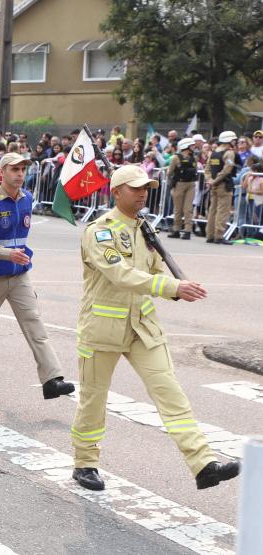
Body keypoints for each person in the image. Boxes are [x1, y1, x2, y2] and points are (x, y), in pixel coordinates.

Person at [70, 165, 240, 492]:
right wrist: (170, 287)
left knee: (171, 394)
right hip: (103, 328)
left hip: (143, 328)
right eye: (135, 188)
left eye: (146, 187)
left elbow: (154, 271)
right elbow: (121, 275)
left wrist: (177, 286)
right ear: (115, 192)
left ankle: (203, 463)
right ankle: (85, 462)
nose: (142, 193)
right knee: (93, 399)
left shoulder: (144, 229)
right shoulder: (99, 231)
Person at [0, 152, 75, 403]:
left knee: (34, 324)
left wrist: (15, 258)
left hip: (19, 275)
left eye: (23, 169)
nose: (20, 174)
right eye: (14, 169)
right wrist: (6, 254)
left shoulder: (27, 200)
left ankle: (52, 379)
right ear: (1, 172)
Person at [203, 131, 237, 245]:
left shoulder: (213, 153)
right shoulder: (229, 153)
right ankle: (219, 235)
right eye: (233, 140)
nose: (235, 142)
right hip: (223, 185)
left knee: (213, 210)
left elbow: (207, 169)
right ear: (229, 140)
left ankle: (210, 235)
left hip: (214, 185)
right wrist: (215, 181)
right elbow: (227, 170)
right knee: (223, 211)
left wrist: (210, 180)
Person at [166, 137, 198, 240]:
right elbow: (169, 172)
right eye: (192, 145)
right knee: (178, 209)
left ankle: (188, 230)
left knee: (188, 209)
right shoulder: (176, 158)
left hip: (191, 184)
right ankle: (176, 229)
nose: (194, 147)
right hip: (179, 184)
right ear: (186, 146)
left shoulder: (194, 157)